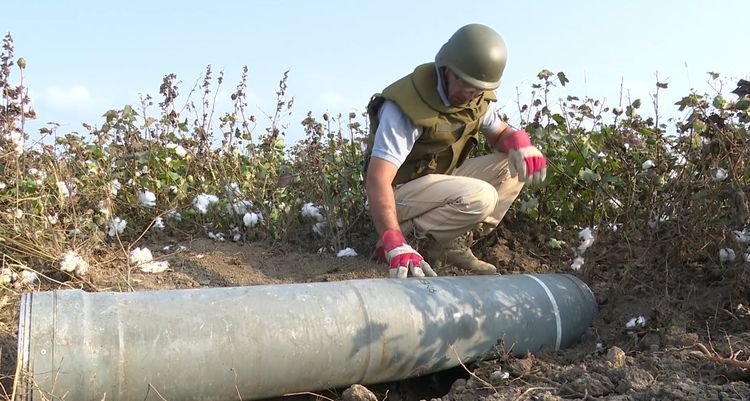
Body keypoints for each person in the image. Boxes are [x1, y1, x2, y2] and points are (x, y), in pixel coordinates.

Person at [364, 23, 547, 279]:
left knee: (513, 166)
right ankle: (404, 242)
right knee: (480, 195)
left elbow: (500, 132)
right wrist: (392, 240)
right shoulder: (406, 107)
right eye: (468, 87)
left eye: (479, 90)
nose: (473, 96)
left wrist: (520, 143)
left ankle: (447, 244)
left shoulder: (476, 97)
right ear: (447, 70)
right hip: (399, 194)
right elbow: (378, 179)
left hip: (435, 186)